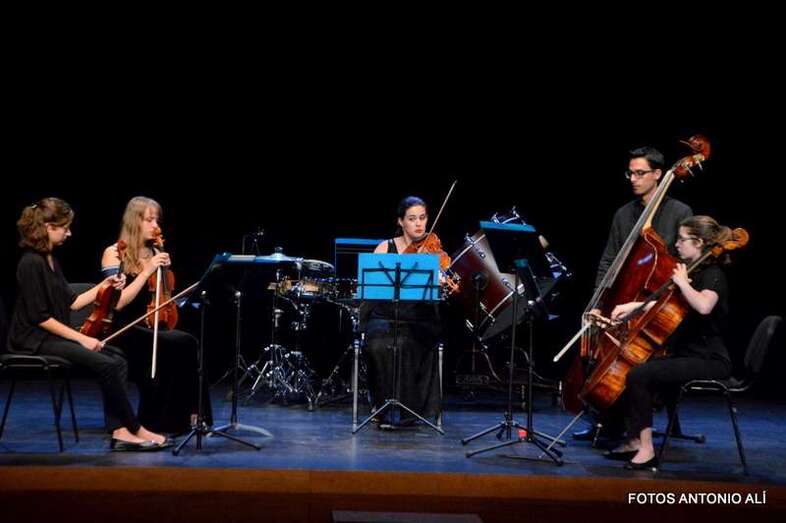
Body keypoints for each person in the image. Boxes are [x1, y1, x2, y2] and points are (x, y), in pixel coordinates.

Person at [7, 197, 169, 451]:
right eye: (65, 227)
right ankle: (134, 428)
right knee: (106, 364)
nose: (69, 233)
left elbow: (72, 302)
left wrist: (103, 287)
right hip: (32, 340)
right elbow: (40, 318)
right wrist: (81, 338)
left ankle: (120, 429)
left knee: (116, 357)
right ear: (49, 228)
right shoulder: (30, 263)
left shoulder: (50, 260)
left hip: (49, 336)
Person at [574, 146, 694, 442]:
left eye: (640, 173)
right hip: (622, 298)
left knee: (636, 359)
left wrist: (647, 301)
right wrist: (598, 300)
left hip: (659, 305)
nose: (633, 179)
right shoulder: (624, 214)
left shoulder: (680, 212)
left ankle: (633, 425)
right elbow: (609, 259)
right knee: (599, 348)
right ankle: (604, 418)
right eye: (630, 173)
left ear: (657, 175)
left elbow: (685, 262)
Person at [607, 216, 733, 470]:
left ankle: (646, 449)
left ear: (698, 242)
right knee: (630, 365)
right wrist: (632, 307)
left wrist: (684, 283)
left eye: (682, 239)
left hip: (709, 360)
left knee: (639, 375)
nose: (676, 244)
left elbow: (704, 306)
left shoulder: (712, 274)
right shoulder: (692, 271)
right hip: (686, 354)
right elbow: (669, 306)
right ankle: (633, 439)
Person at [101, 196, 211, 435]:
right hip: (124, 329)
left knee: (185, 341)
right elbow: (117, 304)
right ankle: (169, 418)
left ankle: (186, 416)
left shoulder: (156, 251)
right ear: (134, 221)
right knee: (183, 343)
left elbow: (162, 297)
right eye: (149, 220)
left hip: (152, 327)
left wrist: (163, 273)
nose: (155, 226)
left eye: (157, 220)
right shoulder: (114, 253)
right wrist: (147, 269)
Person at [363, 196, 442, 427]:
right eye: (412, 219)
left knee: (406, 343)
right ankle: (384, 406)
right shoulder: (384, 248)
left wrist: (441, 280)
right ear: (401, 222)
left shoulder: (432, 251)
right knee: (377, 344)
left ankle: (406, 412)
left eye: (423, 218)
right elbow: (372, 288)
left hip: (419, 318)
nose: (419, 224)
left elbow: (438, 294)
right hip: (385, 315)